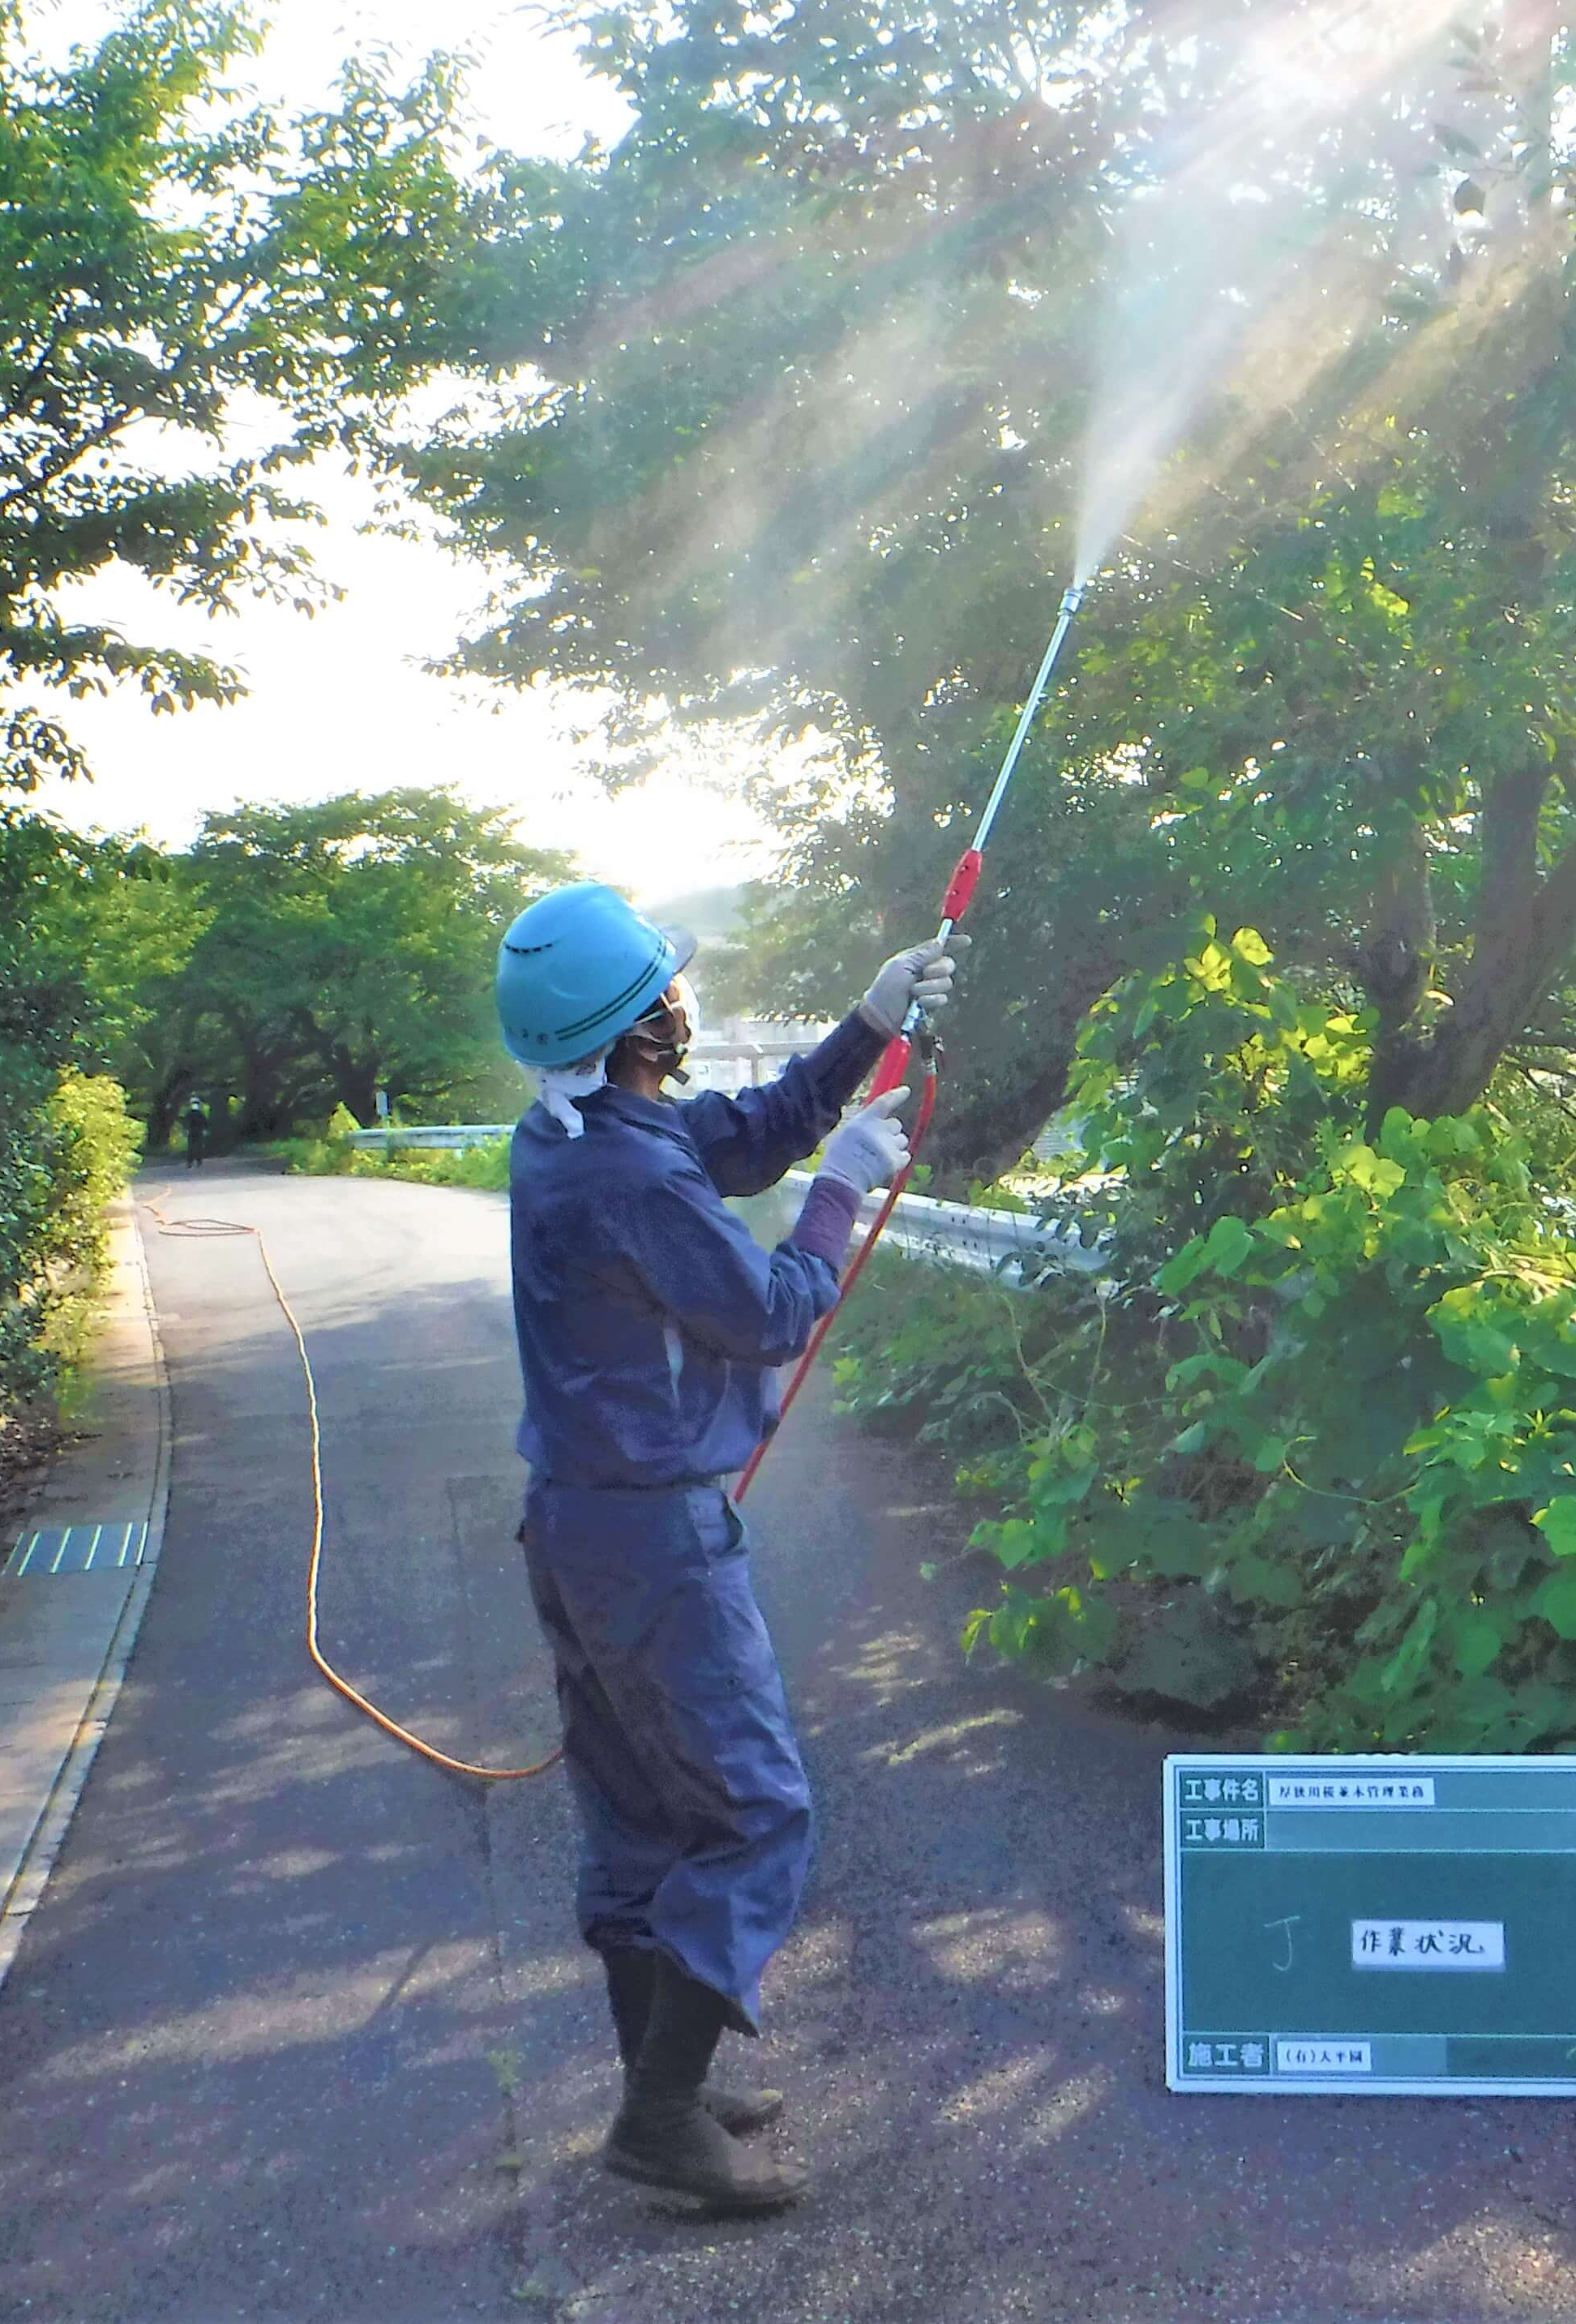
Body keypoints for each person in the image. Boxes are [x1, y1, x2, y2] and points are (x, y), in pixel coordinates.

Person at [493, 882, 955, 2214]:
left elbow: (741, 1136)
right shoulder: (629, 1172)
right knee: (754, 1809)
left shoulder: (573, 1131)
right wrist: (840, 1198)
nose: (684, 999)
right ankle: (655, 2118)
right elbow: (768, 1311)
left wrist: (868, 1024)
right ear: (644, 1024)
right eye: (668, 988)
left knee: (644, 1810)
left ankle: (668, 2084)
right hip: (649, 1541)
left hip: (576, 1523)